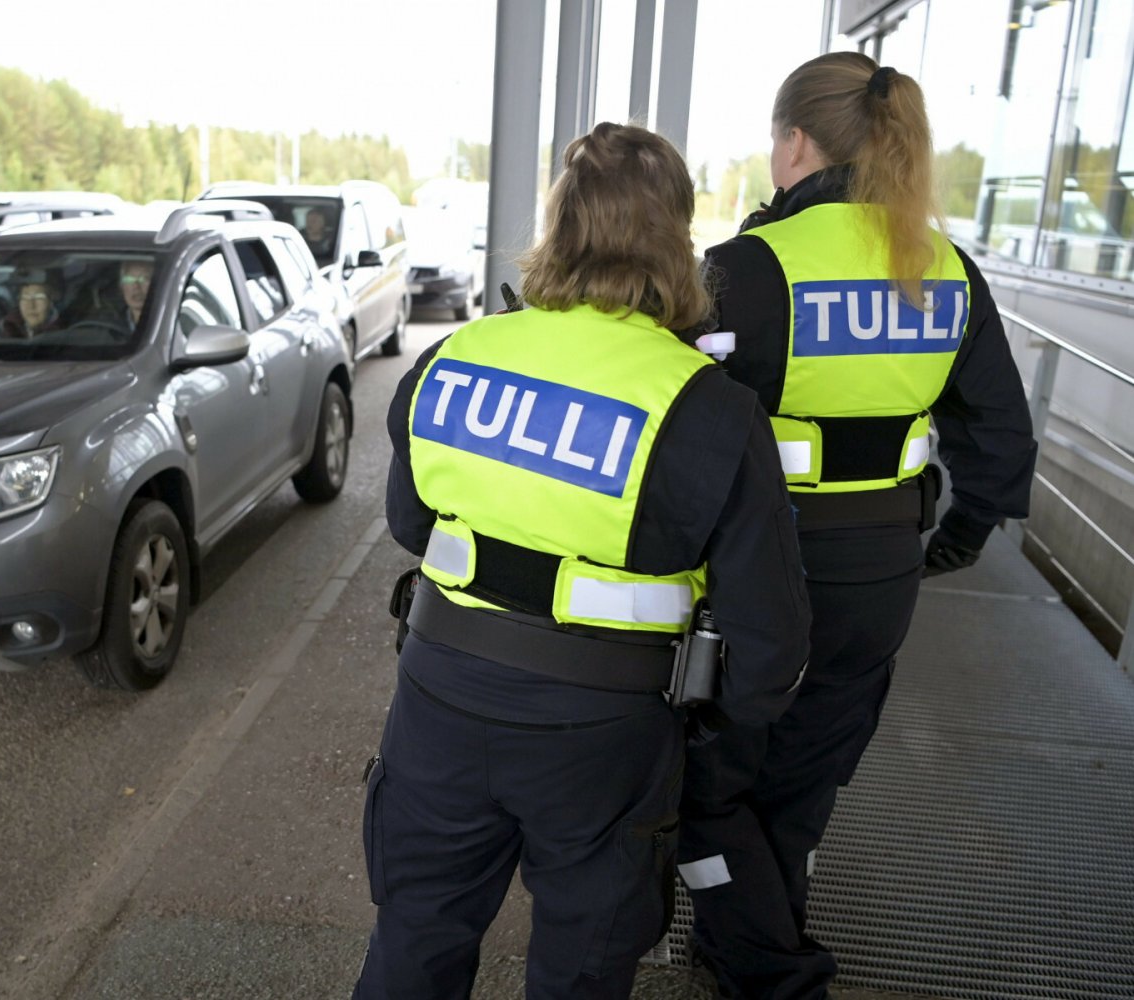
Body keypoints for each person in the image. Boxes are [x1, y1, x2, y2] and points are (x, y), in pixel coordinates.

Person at [353, 122, 811, 1000]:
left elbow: (414, 524)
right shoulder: (709, 409)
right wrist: (701, 734)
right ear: (679, 245)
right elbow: (769, 652)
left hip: (440, 698)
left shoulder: (454, 357)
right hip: (608, 734)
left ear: (555, 228)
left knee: (414, 938)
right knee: (583, 964)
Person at [679, 53, 1037, 1000]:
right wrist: (956, 537)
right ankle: (755, 929)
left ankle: (769, 968)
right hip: (882, 572)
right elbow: (999, 430)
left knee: (707, 785)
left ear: (795, 141)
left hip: (759, 571)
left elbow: (672, 417)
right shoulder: (945, 269)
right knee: (805, 775)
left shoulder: (751, 267)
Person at [0, 274, 61, 339]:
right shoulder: (2, 327)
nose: (31, 305)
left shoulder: (66, 330)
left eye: (39, 297)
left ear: (50, 301)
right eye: (25, 297)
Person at [118, 259, 155, 331]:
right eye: (129, 279)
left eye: (144, 279)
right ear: (122, 287)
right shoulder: (108, 326)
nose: (136, 286)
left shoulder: (169, 322)